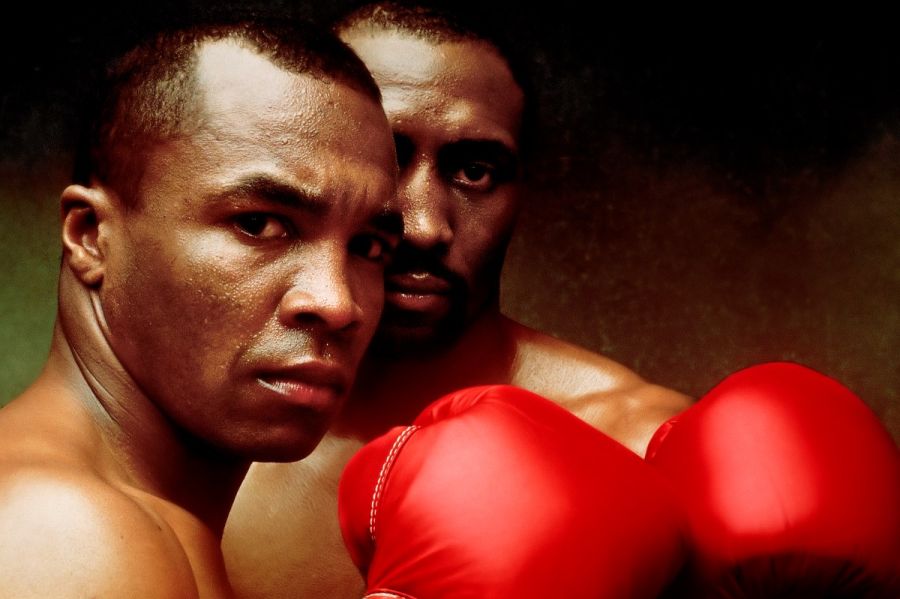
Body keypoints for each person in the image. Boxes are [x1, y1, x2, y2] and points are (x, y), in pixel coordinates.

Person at [223, 3, 693, 598]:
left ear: (524, 193)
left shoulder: (641, 451)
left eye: (474, 172)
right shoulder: (206, 439)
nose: (422, 227)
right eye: (386, 159)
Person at [0, 18, 400, 598]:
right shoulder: (68, 536)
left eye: (368, 247)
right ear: (90, 236)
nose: (337, 303)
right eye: (259, 224)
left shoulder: (143, 526)